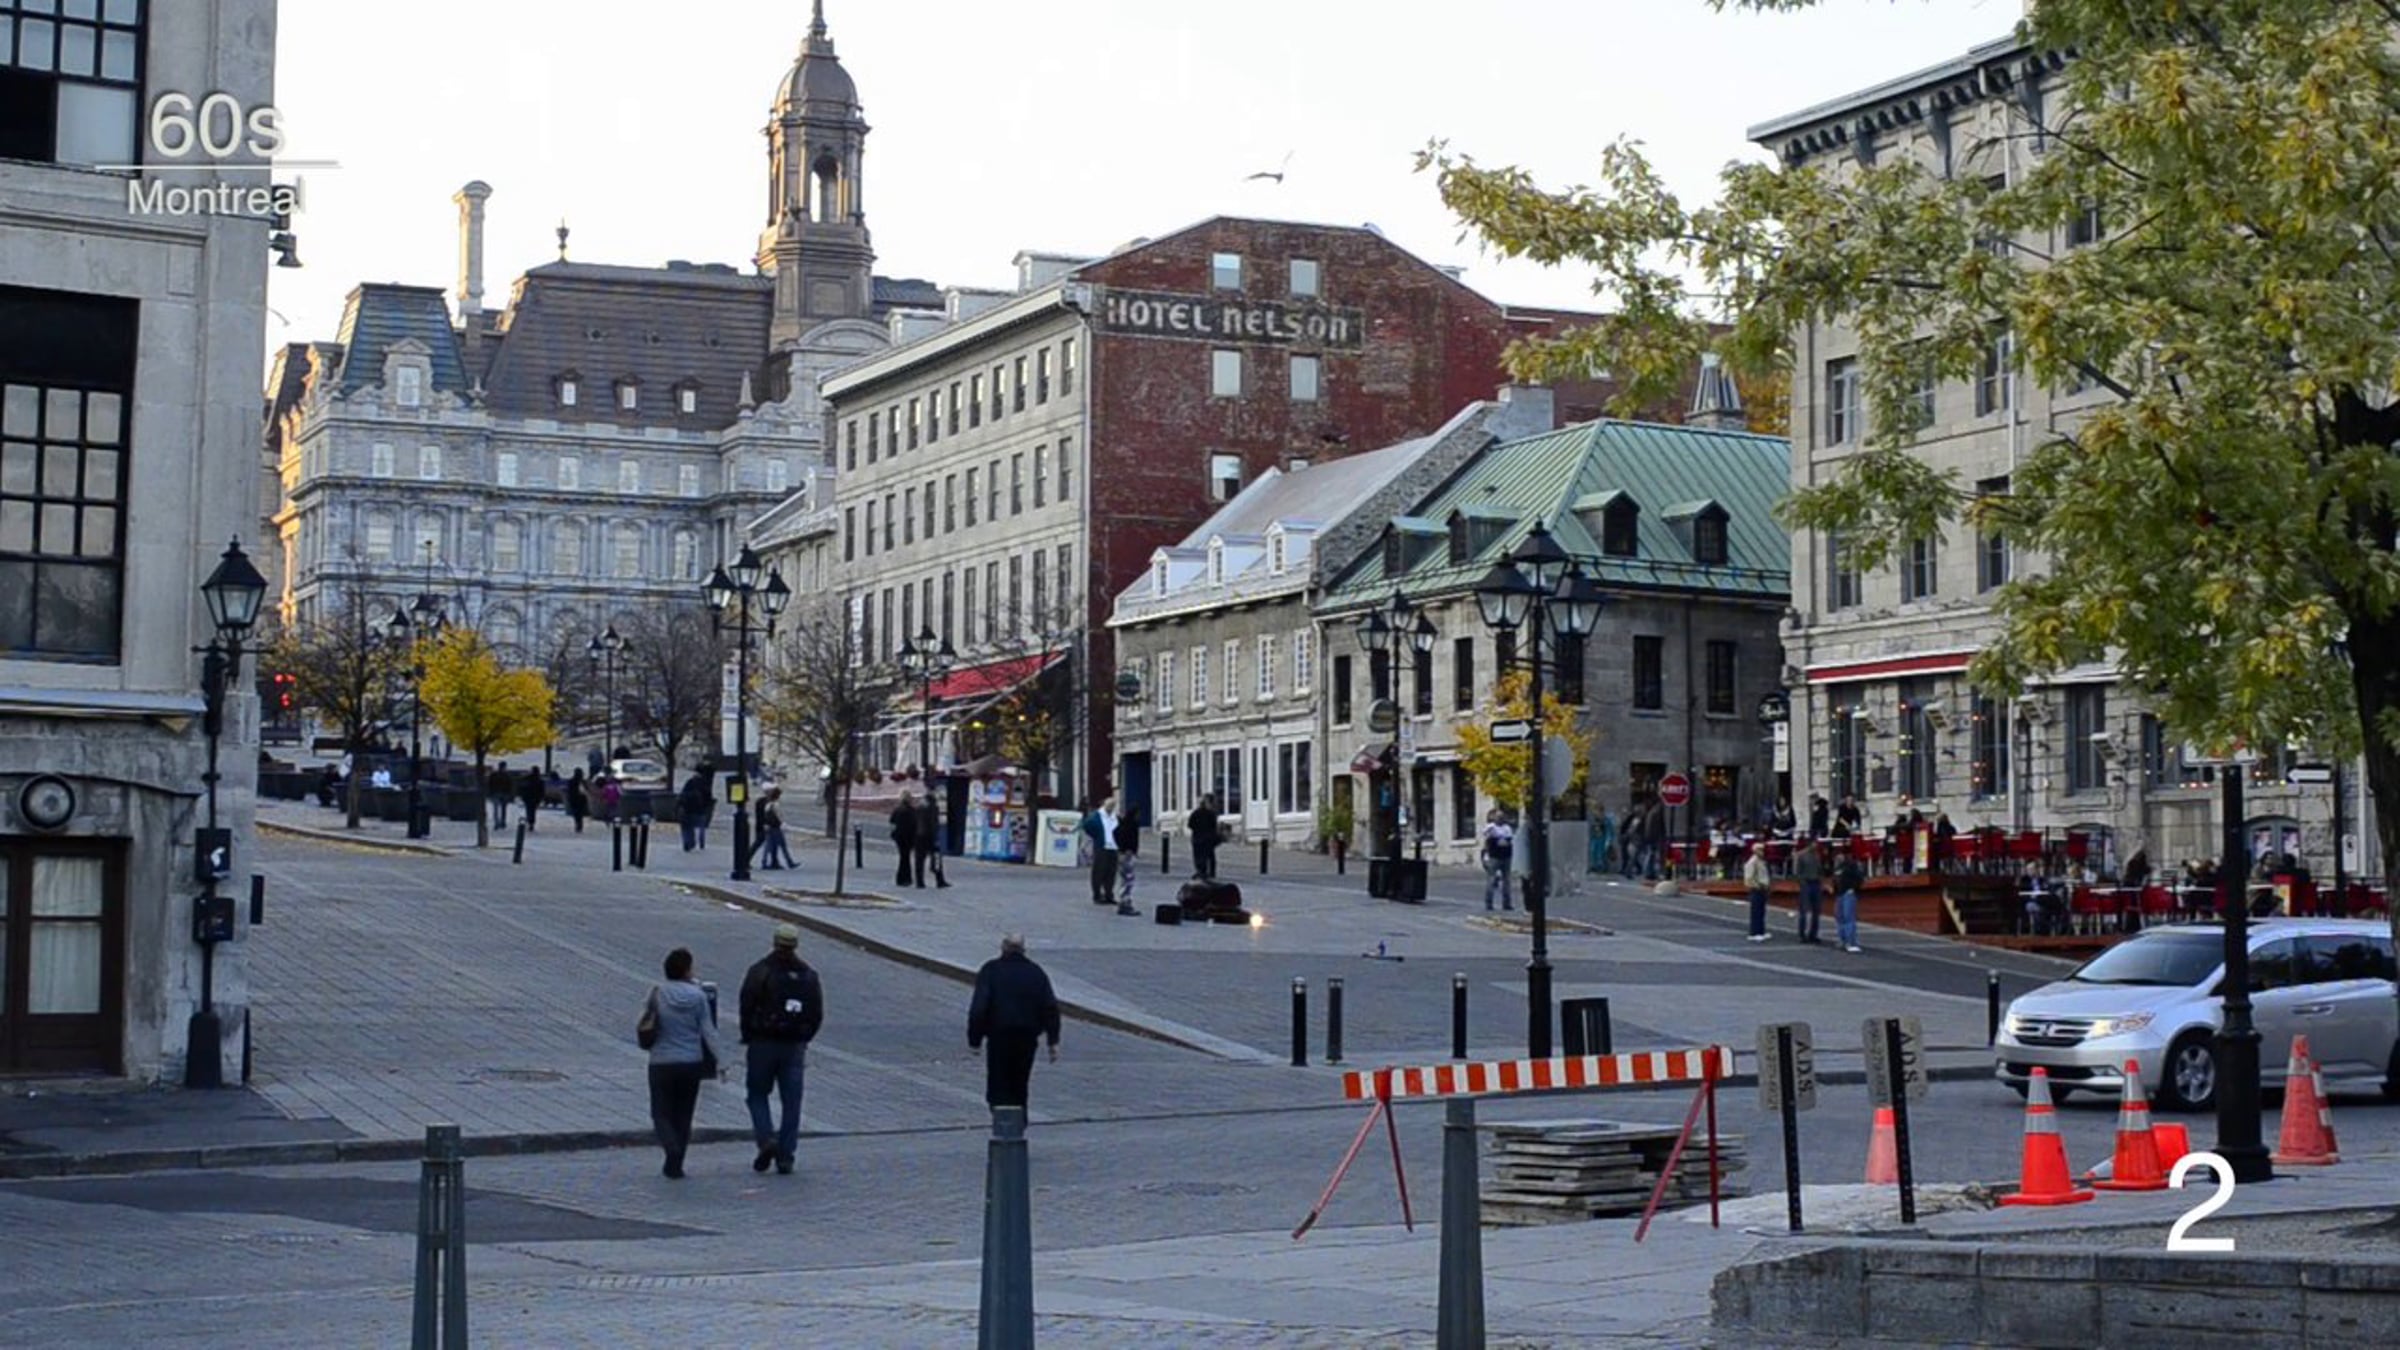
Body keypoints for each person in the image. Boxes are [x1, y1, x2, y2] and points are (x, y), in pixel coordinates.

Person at [738, 923, 823, 1176]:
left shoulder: (760, 971)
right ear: (795, 945)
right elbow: (816, 1013)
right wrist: (804, 1038)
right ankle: (786, 1156)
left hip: (763, 1042)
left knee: (757, 1094)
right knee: (791, 1101)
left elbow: (746, 1004)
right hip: (794, 1046)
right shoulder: (808, 975)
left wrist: (749, 1035)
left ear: (775, 942)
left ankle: (766, 1139)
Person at [639, 946, 722, 1179]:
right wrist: (721, 1060)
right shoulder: (698, 996)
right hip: (691, 1062)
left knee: (660, 1112)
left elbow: (645, 1020)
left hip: (661, 1061)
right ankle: (677, 1164)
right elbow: (708, 1031)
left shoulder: (657, 993)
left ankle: (670, 1147)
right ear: (686, 970)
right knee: (684, 1115)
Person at [967, 933, 1060, 1110]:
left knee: (998, 1079)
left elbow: (979, 1008)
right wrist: (1053, 1041)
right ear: (1024, 949)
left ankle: (1000, 1116)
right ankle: (1018, 1116)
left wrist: (975, 1040)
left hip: (998, 1035)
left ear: (1003, 947)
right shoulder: (1036, 972)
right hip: (1027, 1036)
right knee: (1020, 1081)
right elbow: (1050, 1008)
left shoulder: (991, 970)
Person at [1082, 797, 1120, 905]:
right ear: (1104, 805)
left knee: (1111, 872)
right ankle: (1097, 895)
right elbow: (1087, 825)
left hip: (1113, 847)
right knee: (1098, 871)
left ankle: (1109, 894)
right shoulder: (1096, 816)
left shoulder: (1115, 817)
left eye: (1112, 806)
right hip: (1101, 847)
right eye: (1109, 806)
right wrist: (1097, 836)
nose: (1110, 808)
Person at [1480, 810, 1515, 911]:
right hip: (1494, 857)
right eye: (1498, 817)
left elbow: (1509, 839)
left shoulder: (1507, 828)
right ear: (1494, 818)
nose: (1500, 819)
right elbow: (1486, 835)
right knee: (1491, 880)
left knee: (1507, 881)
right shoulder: (1491, 827)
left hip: (1506, 856)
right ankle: (1489, 903)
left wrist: (1501, 840)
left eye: (1502, 817)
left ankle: (1507, 903)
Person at [1794, 837, 1825, 943]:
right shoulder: (1801, 855)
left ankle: (1813, 934)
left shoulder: (1817, 855)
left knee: (1816, 910)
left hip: (1816, 883)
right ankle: (1802, 934)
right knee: (1804, 910)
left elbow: (1820, 870)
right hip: (1806, 883)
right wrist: (1802, 883)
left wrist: (1820, 881)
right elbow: (1798, 872)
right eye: (1814, 843)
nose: (1815, 845)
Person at [1833, 854, 1867, 953]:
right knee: (1840, 917)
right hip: (1840, 894)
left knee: (1848, 918)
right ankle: (1843, 940)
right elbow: (1836, 881)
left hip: (1848, 894)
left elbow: (1859, 879)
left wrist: (1853, 889)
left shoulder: (1850, 866)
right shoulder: (1837, 868)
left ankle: (1851, 942)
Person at [757, 787, 797, 870]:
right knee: (783, 846)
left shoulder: (768, 805)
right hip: (776, 827)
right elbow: (779, 815)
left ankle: (764, 862)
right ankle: (790, 862)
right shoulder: (776, 804)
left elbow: (765, 815)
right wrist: (783, 824)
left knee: (768, 846)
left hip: (769, 827)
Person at [913, 792, 946, 888]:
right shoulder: (933, 808)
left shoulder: (918, 808)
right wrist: (936, 837)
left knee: (919, 860)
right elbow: (933, 823)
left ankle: (919, 882)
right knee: (936, 858)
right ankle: (939, 880)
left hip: (918, 837)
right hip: (930, 836)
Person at [1112, 808, 1142, 914]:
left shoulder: (1123, 824)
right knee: (1128, 879)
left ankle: (1124, 901)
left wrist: (1120, 847)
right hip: (1127, 854)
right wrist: (1129, 849)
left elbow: (1115, 833)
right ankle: (1125, 903)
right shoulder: (1132, 825)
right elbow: (1133, 840)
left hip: (1122, 853)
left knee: (1125, 878)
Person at [1743, 842, 1773, 942]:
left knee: (1761, 911)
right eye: (1760, 850)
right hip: (1757, 889)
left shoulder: (1761, 861)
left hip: (1763, 888)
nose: (1762, 852)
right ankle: (1754, 932)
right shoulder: (1752, 862)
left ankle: (1761, 931)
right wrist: (1757, 886)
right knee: (1756, 912)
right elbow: (1749, 877)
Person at [890, 791, 921, 887]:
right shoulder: (912, 811)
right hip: (909, 837)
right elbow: (915, 824)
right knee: (906, 857)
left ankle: (902, 878)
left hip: (899, 837)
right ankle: (905, 878)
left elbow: (892, 821)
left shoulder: (898, 810)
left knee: (903, 857)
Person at [678, 771, 715, 852]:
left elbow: (682, 796)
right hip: (700, 810)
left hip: (687, 809)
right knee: (701, 826)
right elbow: (708, 798)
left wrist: (679, 806)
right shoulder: (704, 784)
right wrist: (708, 807)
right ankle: (700, 842)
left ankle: (687, 842)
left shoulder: (689, 783)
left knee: (687, 827)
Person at [1187, 794, 1221, 880]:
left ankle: (1201, 871)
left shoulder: (1196, 813)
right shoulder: (1211, 814)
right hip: (1208, 838)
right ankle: (1211, 872)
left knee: (1198, 856)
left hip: (1197, 838)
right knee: (1209, 855)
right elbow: (1214, 826)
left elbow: (1190, 824)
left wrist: (1197, 829)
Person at [517, 767, 546, 832]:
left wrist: (522, 795)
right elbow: (541, 790)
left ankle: (529, 820)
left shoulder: (527, 779)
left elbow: (522, 787)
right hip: (535, 798)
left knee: (529, 809)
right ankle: (531, 822)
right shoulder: (539, 780)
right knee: (533, 810)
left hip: (528, 797)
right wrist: (541, 798)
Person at [488, 762, 513, 829]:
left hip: (496, 793)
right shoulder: (507, 775)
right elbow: (510, 785)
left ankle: (497, 822)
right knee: (503, 809)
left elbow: (490, 784)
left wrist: (490, 793)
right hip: (503, 794)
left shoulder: (494, 775)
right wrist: (510, 794)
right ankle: (502, 822)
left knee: (497, 809)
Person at [566, 769, 590, 834]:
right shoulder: (582, 782)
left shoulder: (572, 781)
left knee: (577, 814)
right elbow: (586, 790)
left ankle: (578, 825)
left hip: (574, 799)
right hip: (581, 800)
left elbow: (569, 791)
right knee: (579, 814)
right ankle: (579, 826)